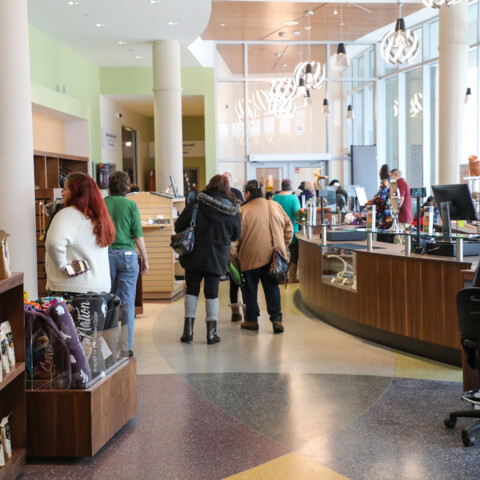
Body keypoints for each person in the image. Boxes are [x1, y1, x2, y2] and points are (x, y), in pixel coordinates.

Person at [175, 174, 241, 345]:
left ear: (210, 185)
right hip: (217, 255)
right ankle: (211, 334)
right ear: (226, 188)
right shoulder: (231, 208)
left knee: (192, 289)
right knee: (212, 292)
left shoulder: (197, 202)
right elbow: (236, 234)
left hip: (194, 253)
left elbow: (178, 226)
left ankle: (188, 331)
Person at [230, 180, 293, 333]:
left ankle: (252, 320)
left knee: (250, 290)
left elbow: (234, 239)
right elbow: (289, 228)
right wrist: (282, 246)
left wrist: (234, 258)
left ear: (247, 193)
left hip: (249, 257)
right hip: (273, 257)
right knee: (272, 289)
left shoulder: (242, 211)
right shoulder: (275, 205)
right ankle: (276, 319)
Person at [45, 172, 115, 296]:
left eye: (65, 188)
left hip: (72, 288)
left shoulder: (66, 214)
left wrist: (62, 266)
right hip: (100, 288)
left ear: (76, 192)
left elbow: (53, 243)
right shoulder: (99, 216)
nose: (62, 192)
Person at [104, 171, 150, 356]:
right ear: (126, 186)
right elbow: (137, 234)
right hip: (128, 255)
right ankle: (125, 347)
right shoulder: (131, 205)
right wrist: (145, 258)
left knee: (109, 301)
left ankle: (109, 346)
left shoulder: (102, 204)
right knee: (127, 303)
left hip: (106, 255)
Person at [222, 172, 245, 322]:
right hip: (229, 241)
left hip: (239, 238)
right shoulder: (219, 194)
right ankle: (235, 311)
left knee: (243, 279)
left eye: (227, 179)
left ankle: (246, 308)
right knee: (233, 279)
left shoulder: (235, 193)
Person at [273, 179, 301, 283]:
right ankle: (292, 278)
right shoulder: (294, 198)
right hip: (292, 231)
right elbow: (298, 213)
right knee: (294, 255)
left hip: (277, 230)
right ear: (291, 187)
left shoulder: (275, 197)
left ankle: (280, 277)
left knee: (279, 254)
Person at [368, 164, 393, 231]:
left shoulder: (385, 183)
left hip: (383, 214)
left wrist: (373, 201)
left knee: (383, 236)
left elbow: (381, 198)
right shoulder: (389, 182)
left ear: (382, 172)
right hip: (388, 212)